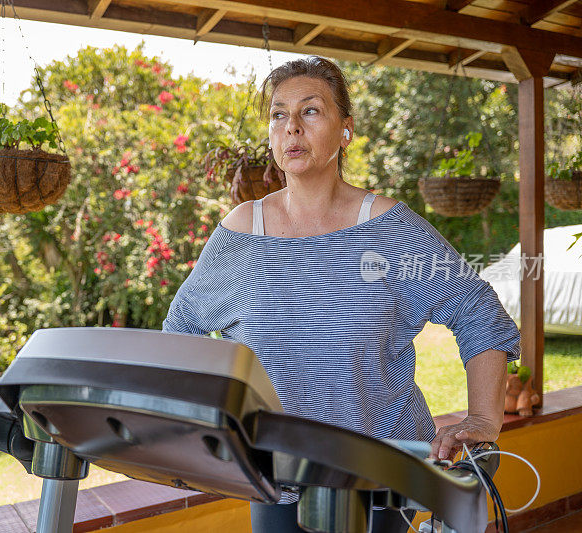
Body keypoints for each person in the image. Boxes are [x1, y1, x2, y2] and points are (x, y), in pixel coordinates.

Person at [161, 56, 521, 533]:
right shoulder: (242, 233)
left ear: (345, 131)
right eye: (278, 114)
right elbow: (182, 329)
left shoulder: (391, 231)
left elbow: (480, 314)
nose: (291, 127)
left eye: (310, 111)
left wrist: (482, 419)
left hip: (378, 483)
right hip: (273, 478)